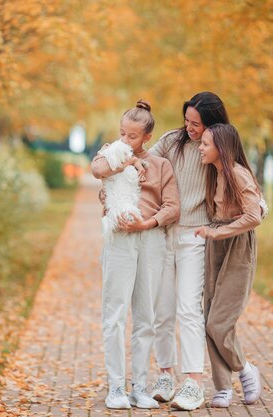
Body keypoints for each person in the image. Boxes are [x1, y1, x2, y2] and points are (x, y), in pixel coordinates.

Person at [91, 99, 180, 410]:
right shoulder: (113, 154)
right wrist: (127, 160)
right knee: (114, 316)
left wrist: (147, 222)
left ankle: (139, 388)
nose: (125, 140)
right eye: (122, 133)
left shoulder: (161, 166)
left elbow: (172, 207)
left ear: (147, 138)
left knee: (146, 318)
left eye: (132, 136)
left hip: (151, 241)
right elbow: (96, 169)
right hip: (118, 241)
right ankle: (115, 387)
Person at [149, 92, 230, 411]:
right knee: (163, 309)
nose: (190, 128)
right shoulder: (172, 141)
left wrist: (257, 208)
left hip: (196, 235)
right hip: (163, 232)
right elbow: (144, 160)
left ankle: (194, 383)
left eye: (196, 124)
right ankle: (165, 374)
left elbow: (241, 181)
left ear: (213, 124)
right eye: (187, 121)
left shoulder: (218, 148)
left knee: (187, 308)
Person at [194, 123, 263, 407]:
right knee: (209, 316)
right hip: (216, 246)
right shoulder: (215, 173)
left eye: (205, 144)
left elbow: (254, 216)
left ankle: (245, 369)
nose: (200, 147)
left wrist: (217, 232)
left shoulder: (238, 174)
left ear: (221, 148)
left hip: (237, 247)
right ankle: (223, 387)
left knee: (219, 322)